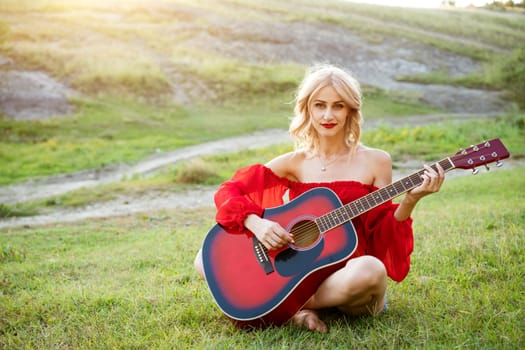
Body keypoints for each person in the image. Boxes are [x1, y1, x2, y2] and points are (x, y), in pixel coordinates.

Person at [194, 63, 445, 333]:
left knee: (371, 270)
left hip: (346, 279)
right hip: (301, 273)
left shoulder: (376, 161)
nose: (328, 115)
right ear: (307, 109)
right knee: (203, 258)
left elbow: (381, 232)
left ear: (351, 110)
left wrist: (410, 200)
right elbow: (228, 191)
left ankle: (289, 308)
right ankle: (296, 311)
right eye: (319, 105)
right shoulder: (294, 162)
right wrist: (257, 223)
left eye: (338, 105)